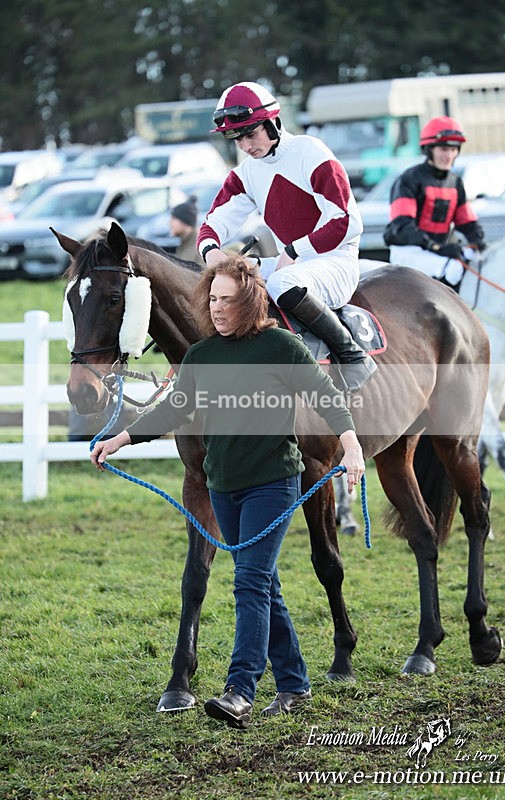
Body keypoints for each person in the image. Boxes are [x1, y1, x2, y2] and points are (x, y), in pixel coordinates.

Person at [90, 254, 365, 730]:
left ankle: (240, 689)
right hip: (223, 487)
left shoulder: (281, 346)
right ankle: (295, 682)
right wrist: (121, 437)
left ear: (250, 300)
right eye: (212, 299)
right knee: (263, 583)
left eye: (227, 300)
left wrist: (352, 448)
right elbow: (174, 409)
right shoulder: (201, 357)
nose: (216, 309)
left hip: (273, 485)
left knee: (249, 583)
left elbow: (328, 398)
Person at [196, 81, 377, 392]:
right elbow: (213, 224)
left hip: (335, 262)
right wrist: (211, 251)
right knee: (235, 280)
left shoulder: (311, 152)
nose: (245, 145)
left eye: (250, 134)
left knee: (281, 282)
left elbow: (348, 222)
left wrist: (294, 251)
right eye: (237, 139)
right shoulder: (247, 171)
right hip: (292, 265)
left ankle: (352, 356)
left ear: (272, 123)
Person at [383, 115, 486, 290]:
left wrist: (479, 241)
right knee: (453, 270)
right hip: (409, 250)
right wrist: (435, 246)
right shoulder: (409, 179)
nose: (449, 155)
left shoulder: (455, 182)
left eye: (454, 150)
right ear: (429, 149)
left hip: (438, 253)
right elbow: (403, 226)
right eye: (444, 149)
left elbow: (467, 222)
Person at [169, 195, 203, 265]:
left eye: (174, 219)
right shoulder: (186, 242)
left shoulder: (199, 248)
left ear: (185, 221)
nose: (170, 223)